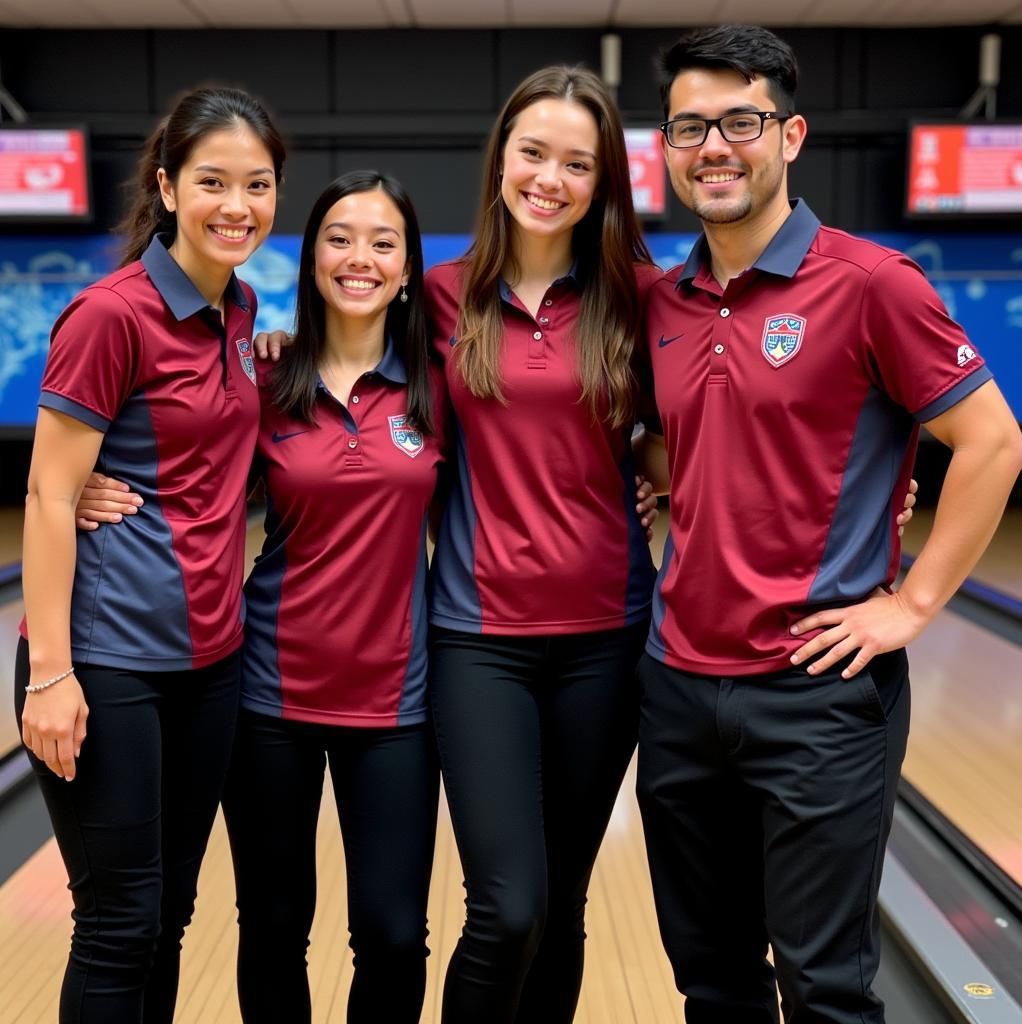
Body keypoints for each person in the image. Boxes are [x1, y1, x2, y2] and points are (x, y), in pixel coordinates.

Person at [633, 25, 1022, 1023]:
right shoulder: (666, 301)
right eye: (689, 126)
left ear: (791, 134)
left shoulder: (870, 282)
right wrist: (657, 478)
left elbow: (990, 443)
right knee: (710, 978)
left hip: (815, 692)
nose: (712, 145)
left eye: (739, 121)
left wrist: (913, 601)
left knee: (824, 986)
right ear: (667, 148)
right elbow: (683, 436)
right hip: (678, 685)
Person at [16, 86, 284, 1024]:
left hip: (209, 664)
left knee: (169, 913)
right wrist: (50, 675)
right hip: (107, 660)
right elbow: (50, 494)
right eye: (213, 181)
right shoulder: (110, 314)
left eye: (257, 184)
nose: (236, 204)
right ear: (168, 187)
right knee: (120, 919)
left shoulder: (242, 310)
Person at [421, 65, 662, 1023]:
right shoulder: (436, 296)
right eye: (533, 153)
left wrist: (871, 494)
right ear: (500, 161)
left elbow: (736, 424)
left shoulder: (643, 298)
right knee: (506, 909)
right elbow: (339, 390)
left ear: (603, 180)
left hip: (607, 639)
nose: (550, 177)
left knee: (562, 907)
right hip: (478, 640)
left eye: (577, 161)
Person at [219, 171, 446, 1024]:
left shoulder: (438, 385)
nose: (361, 257)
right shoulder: (265, 383)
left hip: (397, 702)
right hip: (269, 693)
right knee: (274, 925)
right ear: (312, 257)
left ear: (408, 266)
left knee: (392, 934)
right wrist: (90, 490)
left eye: (383, 242)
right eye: (340, 238)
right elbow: (188, 480)